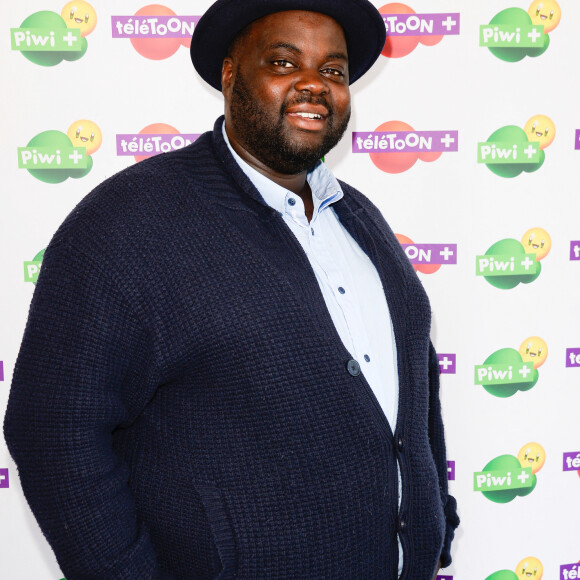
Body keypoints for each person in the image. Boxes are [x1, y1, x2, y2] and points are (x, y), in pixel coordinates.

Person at [4, 0, 459, 578]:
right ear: (229, 74)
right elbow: (54, 429)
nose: (312, 86)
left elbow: (413, 385)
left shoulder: (360, 219)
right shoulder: (130, 221)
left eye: (333, 71)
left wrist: (432, 518)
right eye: (283, 62)